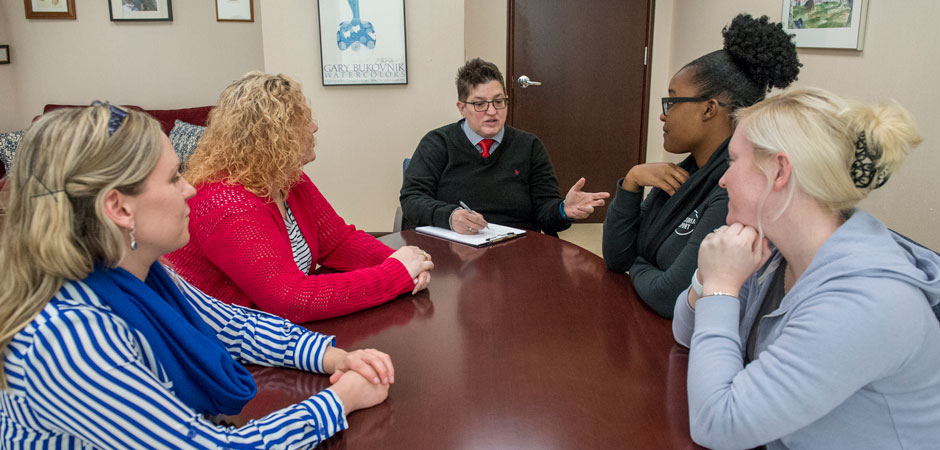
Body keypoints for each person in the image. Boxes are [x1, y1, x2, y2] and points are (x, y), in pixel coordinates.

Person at [0, 103, 396, 448]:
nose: (190, 190)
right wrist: (339, 401)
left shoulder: (141, 274)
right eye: (174, 178)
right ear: (119, 208)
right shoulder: (68, 336)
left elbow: (234, 326)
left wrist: (334, 356)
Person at [674, 87, 940, 449]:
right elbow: (686, 333)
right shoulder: (774, 248)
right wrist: (711, 278)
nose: (722, 178)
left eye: (732, 160)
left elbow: (717, 424)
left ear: (779, 170)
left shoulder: (867, 302)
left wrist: (721, 287)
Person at [166, 72, 433, 323]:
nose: (314, 127)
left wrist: (402, 261)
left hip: (273, 331)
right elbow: (290, 300)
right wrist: (394, 273)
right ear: (274, 137)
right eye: (303, 121)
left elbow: (338, 242)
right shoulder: (226, 203)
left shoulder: (286, 179)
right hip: (226, 347)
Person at [602, 14, 801, 317]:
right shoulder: (690, 170)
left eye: (672, 102)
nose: (662, 116)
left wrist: (636, 265)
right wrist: (631, 182)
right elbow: (617, 257)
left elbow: (670, 296)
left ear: (709, 109)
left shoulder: (731, 190)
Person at [400, 58, 609, 236]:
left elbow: (546, 214)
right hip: (454, 246)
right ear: (462, 108)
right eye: (480, 104)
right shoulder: (438, 143)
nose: (492, 111)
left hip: (517, 251)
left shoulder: (529, 146)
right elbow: (412, 199)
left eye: (499, 101)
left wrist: (563, 210)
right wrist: (451, 217)